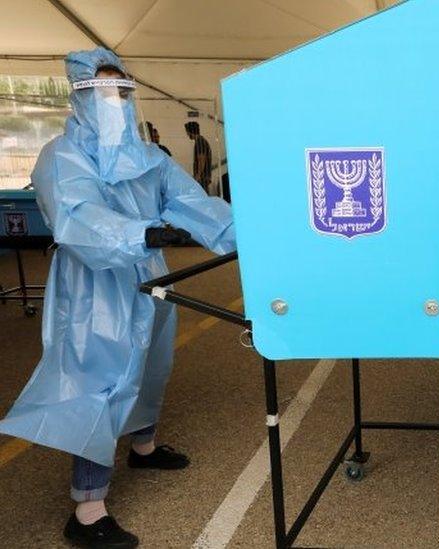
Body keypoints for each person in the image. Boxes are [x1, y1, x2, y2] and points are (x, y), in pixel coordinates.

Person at [0, 47, 236, 548]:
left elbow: (191, 201)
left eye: (122, 92)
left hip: (147, 274)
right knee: (97, 379)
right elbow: (75, 215)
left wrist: (242, 231)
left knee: (151, 364)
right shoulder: (60, 156)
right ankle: (87, 508)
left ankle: (143, 448)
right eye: (103, 91)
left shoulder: (150, 158)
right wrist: (144, 233)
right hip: (92, 283)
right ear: (81, 95)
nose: (115, 102)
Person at [184, 121, 212, 191]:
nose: (187, 134)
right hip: (203, 177)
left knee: (202, 198)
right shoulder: (200, 141)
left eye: (187, 132)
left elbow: (201, 160)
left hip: (202, 178)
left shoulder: (200, 142)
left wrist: (197, 176)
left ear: (191, 131)